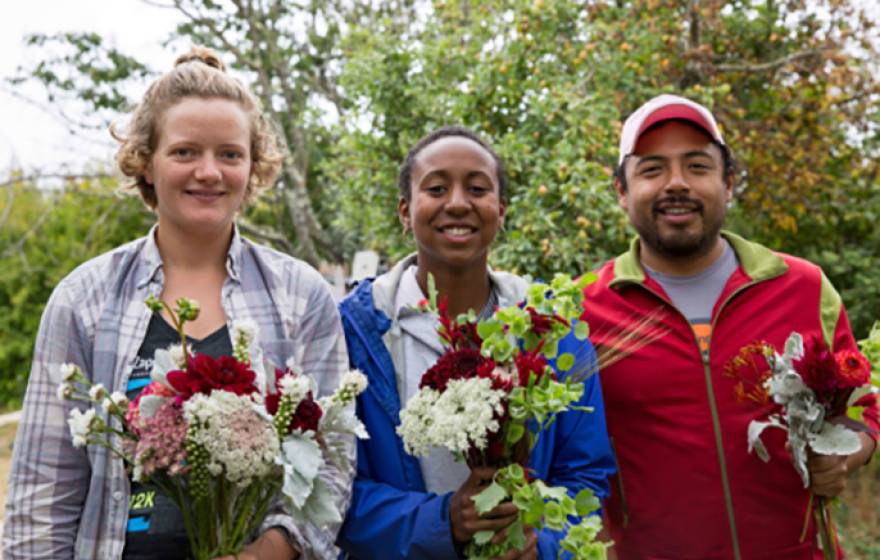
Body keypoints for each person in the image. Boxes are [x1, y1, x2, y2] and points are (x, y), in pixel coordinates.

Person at [2, 47, 352, 560]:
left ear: (254, 166)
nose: (208, 172)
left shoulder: (301, 297)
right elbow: (42, 490)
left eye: (230, 154)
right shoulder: (84, 299)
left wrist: (268, 552)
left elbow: (332, 462)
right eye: (185, 152)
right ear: (145, 161)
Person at [580, 94, 879, 559]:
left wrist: (850, 449)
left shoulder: (802, 287)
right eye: (652, 169)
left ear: (729, 182)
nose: (676, 184)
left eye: (697, 166)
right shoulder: (583, 311)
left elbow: (862, 406)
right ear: (621, 190)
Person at [335, 126, 615, 560]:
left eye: (478, 188)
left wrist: (541, 546)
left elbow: (586, 475)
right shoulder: (357, 331)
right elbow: (336, 489)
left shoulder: (552, 331)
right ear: (405, 211)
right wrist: (443, 520)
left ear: (500, 210)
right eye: (437, 187)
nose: (458, 203)